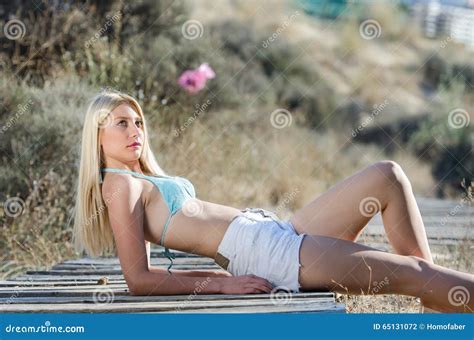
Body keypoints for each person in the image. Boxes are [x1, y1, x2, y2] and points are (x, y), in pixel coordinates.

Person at [73, 90, 473, 313]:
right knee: (415, 271)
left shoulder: (135, 179)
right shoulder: (119, 186)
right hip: (271, 256)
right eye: (121, 123)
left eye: (139, 121)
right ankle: (438, 297)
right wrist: (219, 289)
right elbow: (137, 280)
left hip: (273, 232)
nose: (135, 130)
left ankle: (438, 308)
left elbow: (149, 267)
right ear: (98, 135)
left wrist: (210, 278)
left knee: (386, 175)